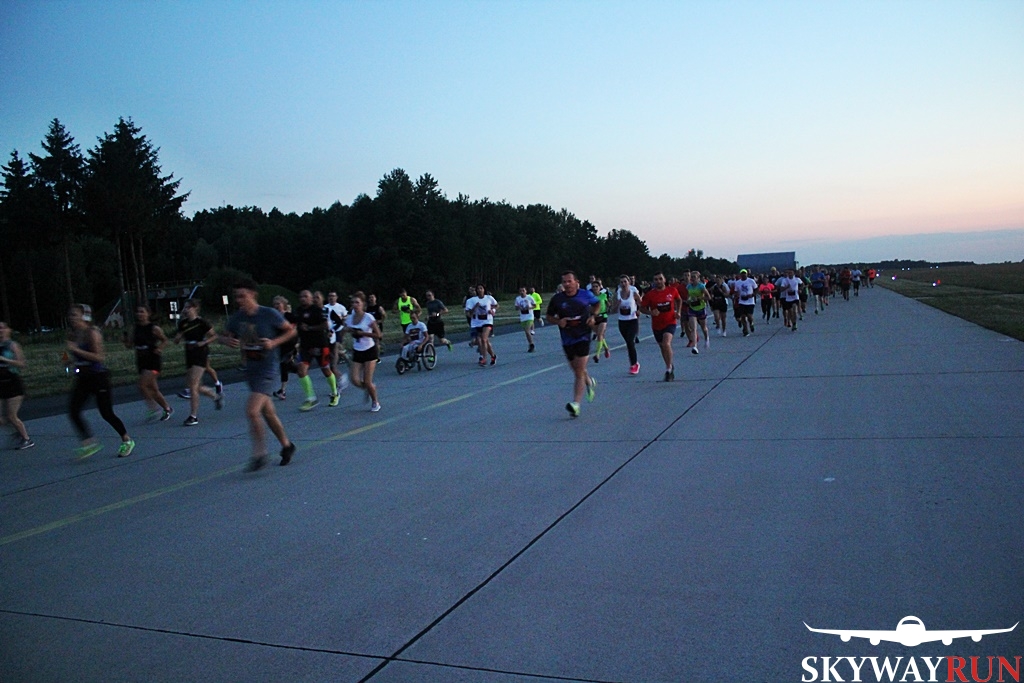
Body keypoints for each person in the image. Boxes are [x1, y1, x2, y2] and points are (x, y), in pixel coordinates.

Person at [221, 279, 297, 470]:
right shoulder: (237, 318)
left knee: (252, 411)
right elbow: (225, 335)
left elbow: (290, 331)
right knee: (268, 412)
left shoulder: (268, 314)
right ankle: (287, 445)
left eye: (242, 296)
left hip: (268, 368)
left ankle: (260, 454)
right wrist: (227, 341)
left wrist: (273, 343)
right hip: (251, 369)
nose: (239, 300)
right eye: (236, 296)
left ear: (253, 295)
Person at [66, 304, 135, 459]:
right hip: (82, 378)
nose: (72, 318)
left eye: (75, 315)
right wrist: (70, 360)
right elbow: (75, 355)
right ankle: (89, 443)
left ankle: (127, 440)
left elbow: (99, 357)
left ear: (84, 316)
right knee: (73, 410)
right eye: (70, 315)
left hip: (98, 377)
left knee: (106, 413)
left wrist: (76, 350)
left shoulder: (92, 333)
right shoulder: (73, 334)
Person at [546, 271, 599, 418]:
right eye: (564, 282)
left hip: (583, 336)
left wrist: (593, 316)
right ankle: (589, 382)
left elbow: (597, 304)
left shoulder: (585, 295)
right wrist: (559, 321)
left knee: (578, 371)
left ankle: (576, 404)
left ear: (577, 282)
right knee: (576, 369)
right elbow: (549, 316)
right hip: (567, 338)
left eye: (569, 281)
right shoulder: (557, 299)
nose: (567, 284)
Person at [174, 299, 222, 425]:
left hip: (200, 353)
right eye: (185, 308)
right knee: (195, 386)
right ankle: (215, 396)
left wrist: (204, 342)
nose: (186, 310)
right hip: (189, 354)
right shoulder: (183, 323)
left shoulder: (201, 322)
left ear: (195, 308)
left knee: (193, 386)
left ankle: (193, 416)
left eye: (188, 307)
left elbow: (214, 335)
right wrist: (177, 338)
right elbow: (177, 339)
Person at [125, 305, 173, 422]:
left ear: (148, 314)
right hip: (141, 361)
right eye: (138, 312)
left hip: (153, 361)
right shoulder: (135, 328)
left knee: (142, 385)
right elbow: (129, 345)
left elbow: (165, 340)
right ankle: (167, 409)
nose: (139, 314)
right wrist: (125, 340)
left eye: (142, 312)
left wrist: (159, 348)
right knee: (153, 389)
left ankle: (153, 408)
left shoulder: (154, 328)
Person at [294, 289, 339, 410]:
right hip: (305, 346)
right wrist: (296, 342)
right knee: (301, 370)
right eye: (301, 296)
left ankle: (335, 393)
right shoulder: (298, 311)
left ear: (310, 298)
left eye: (305, 296)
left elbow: (325, 325)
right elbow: (297, 328)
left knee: (326, 370)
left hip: (320, 344)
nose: (303, 298)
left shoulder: (318, 310)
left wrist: (309, 328)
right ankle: (311, 398)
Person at [338, 291, 382, 412]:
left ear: (363, 304)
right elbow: (343, 331)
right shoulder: (350, 318)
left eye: (357, 302)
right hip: (357, 351)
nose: (355, 305)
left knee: (367, 381)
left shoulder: (368, 317)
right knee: (354, 380)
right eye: (353, 303)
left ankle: (375, 402)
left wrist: (363, 333)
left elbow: (378, 335)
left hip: (369, 350)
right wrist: (341, 336)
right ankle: (370, 388)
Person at [640, 272, 683, 381]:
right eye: (656, 279)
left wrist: (678, 311)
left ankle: (668, 369)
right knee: (662, 347)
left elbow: (679, 300)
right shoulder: (650, 294)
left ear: (664, 280)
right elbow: (642, 308)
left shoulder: (672, 290)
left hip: (670, 322)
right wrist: (651, 312)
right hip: (657, 325)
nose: (658, 281)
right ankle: (670, 364)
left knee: (666, 343)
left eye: (660, 279)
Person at [0, 321, 33, 449]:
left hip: (13, 383)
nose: (0, 331)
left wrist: (5, 360)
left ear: (8, 330)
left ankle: (27, 439)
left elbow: (22, 364)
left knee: (11, 415)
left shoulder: (12, 345)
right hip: (1, 384)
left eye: (2, 328)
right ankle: (16, 432)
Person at [611, 274, 642, 375]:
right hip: (622, 321)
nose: (623, 284)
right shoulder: (618, 294)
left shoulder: (633, 292)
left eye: (625, 281)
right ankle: (634, 363)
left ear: (629, 282)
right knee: (629, 344)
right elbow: (612, 310)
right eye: (621, 282)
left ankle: (634, 364)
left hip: (632, 320)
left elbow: (641, 303)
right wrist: (617, 305)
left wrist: (638, 310)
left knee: (630, 341)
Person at [271, 295, 299, 400]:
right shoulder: (273, 317)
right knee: (287, 366)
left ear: (283, 304)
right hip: (279, 345)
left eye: (278, 303)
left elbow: (296, 328)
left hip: (289, 344)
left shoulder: (289, 316)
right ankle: (302, 372)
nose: (276, 306)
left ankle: (282, 391)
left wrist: (297, 342)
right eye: (274, 304)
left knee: (284, 365)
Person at [465, 284, 498, 366]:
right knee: (485, 340)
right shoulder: (471, 300)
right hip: (477, 321)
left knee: (483, 339)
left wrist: (492, 310)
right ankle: (493, 356)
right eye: (478, 289)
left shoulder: (489, 298)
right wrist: (475, 307)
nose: (479, 290)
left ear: (484, 290)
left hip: (487, 320)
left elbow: (496, 305)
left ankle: (484, 359)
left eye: (481, 288)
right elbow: (468, 313)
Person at [323, 291, 350, 390]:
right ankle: (344, 355)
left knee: (335, 350)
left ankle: (337, 371)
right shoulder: (325, 307)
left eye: (333, 296)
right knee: (334, 352)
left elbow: (344, 319)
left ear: (336, 297)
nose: (331, 298)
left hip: (337, 331)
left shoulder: (340, 307)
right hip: (326, 334)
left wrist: (342, 329)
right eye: (329, 296)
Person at [686, 271, 712, 352]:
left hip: (701, 308)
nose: (692, 278)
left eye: (694, 277)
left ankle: (706, 338)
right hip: (692, 308)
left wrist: (699, 298)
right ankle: (695, 346)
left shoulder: (701, 286)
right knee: (693, 328)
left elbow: (709, 297)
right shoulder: (689, 286)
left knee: (703, 327)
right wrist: (688, 300)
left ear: (698, 278)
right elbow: (688, 296)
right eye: (691, 277)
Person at [590, 280, 611, 362]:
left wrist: (609, 305)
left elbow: (608, 304)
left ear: (599, 287)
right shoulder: (590, 297)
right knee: (600, 335)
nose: (595, 288)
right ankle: (606, 348)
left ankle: (597, 354)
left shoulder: (603, 295)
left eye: (596, 286)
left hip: (603, 316)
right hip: (594, 317)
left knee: (599, 335)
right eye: (593, 287)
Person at [732, 270, 757, 336]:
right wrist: (736, 295)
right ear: (740, 275)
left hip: (750, 301)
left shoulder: (751, 281)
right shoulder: (737, 282)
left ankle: (751, 323)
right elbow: (736, 291)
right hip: (741, 301)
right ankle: (745, 330)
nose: (743, 275)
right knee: (743, 316)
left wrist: (752, 295)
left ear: (747, 274)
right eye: (742, 274)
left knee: (749, 316)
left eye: (744, 273)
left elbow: (756, 289)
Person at [514, 287, 536, 352]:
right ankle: (530, 343)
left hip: (530, 316)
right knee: (526, 332)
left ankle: (531, 345)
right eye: (520, 291)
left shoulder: (529, 297)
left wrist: (529, 307)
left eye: (523, 290)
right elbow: (516, 307)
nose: (522, 292)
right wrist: (519, 307)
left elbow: (535, 305)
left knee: (527, 331)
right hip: (523, 317)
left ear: (526, 291)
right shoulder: (518, 299)